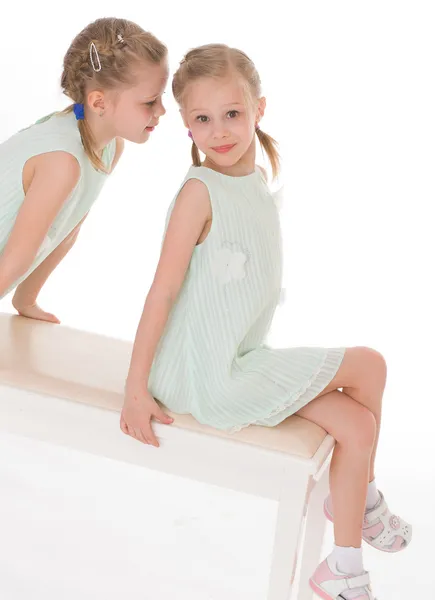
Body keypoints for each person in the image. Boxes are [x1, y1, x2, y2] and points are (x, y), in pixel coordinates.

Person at [121, 44, 411, 599]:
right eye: (202, 119)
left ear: (259, 107)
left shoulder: (251, 183)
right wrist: (136, 388)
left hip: (237, 361)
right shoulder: (199, 194)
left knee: (358, 425)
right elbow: (160, 293)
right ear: (186, 127)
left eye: (232, 113)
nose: (220, 131)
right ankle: (364, 503)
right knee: (369, 365)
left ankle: (344, 563)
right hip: (204, 375)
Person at [0, 17, 168, 322]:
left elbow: (67, 228)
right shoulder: (62, 162)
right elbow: (17, 255)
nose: (161, 112)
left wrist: (27, 299)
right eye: (150, 102)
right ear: (99, 102)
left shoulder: (110, 147)